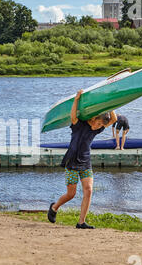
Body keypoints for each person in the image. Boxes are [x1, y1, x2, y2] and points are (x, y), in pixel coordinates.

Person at [47, 89, 117, 229]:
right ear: (94, 118)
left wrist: (111, 104)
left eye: (101, 126)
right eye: (99, 124)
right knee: (71, 194)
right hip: (72, 161)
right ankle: (54, 207)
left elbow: (114, 120)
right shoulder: (79, 126)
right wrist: (77, 99)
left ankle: (81, 222)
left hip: (85, 162)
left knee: (89, 190)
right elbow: (73, 116)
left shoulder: (97, 129)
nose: (99, 127)